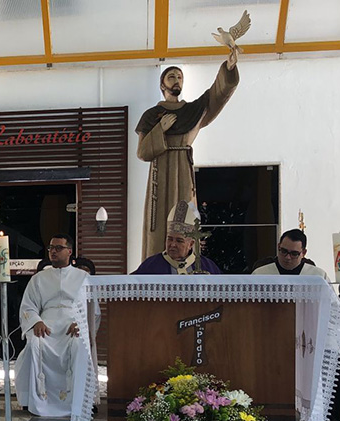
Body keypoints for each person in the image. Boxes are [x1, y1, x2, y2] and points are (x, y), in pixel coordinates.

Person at [136, 48, 240, 258]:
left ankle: (187, 262)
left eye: (180, 77)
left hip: (183, 171)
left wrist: (229, 68)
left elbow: (216, 94)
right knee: (159, 223)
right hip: (160, 173)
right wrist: (160, 129)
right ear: (162, 84)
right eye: (171, 76)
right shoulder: (151, 115)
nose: (177, 80)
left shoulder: (193, 110)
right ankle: (156, 266)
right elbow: (143, 152)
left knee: (184, 218)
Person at [14, 234, 99, 417]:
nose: (53, 251)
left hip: (72, 324)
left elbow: (93, 309)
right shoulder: (38, 278)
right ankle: (34, 399)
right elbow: (28, 306)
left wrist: (81, 322)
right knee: (34, 344)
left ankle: (81, 400)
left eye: (58, 248)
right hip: (46, 324)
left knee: (79, 345)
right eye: (51, 248)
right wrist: (36, 321)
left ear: (69, 251)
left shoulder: (83, 277)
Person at [133, 201, 222, 274]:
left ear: (191, 244)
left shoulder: (207, 267)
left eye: (179, 241)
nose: (172, 244)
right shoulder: (150, 266)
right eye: (170, 239)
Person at [251, 229, 329, 280]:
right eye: (283, 251)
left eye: (294, 254)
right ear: (278, 247)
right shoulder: (260, 275)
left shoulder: (318, 276)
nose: (288, 257)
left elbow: (332, 300)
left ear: (303, 253)